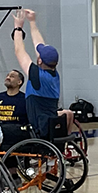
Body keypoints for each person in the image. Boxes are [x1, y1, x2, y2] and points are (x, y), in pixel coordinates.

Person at [12, 9, 73, 137]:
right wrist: (32, 22)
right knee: (67, 113)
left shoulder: (37, 75)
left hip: (39, 125)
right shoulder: (54, 74)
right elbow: (39, 44)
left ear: (39, 60)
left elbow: (19, 51)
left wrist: (18, 28)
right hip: (51, 122)